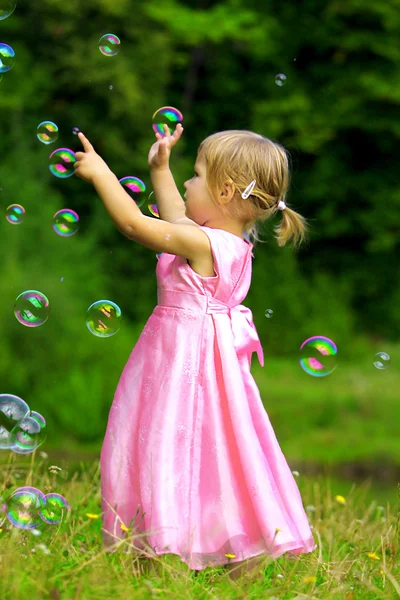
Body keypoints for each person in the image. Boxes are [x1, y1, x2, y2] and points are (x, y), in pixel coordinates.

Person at [74, 125, 317, 581]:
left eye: (196, 174)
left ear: (225, 191)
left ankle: (162, 548)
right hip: (184, 367)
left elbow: (135, 225)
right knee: (208, 455)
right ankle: (195, 547)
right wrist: (160, 170)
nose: (187, 183)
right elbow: (176, 219)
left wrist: (101, 173)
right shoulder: (221, 242)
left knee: (165, 448)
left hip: (182, 374)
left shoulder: (206, 245)